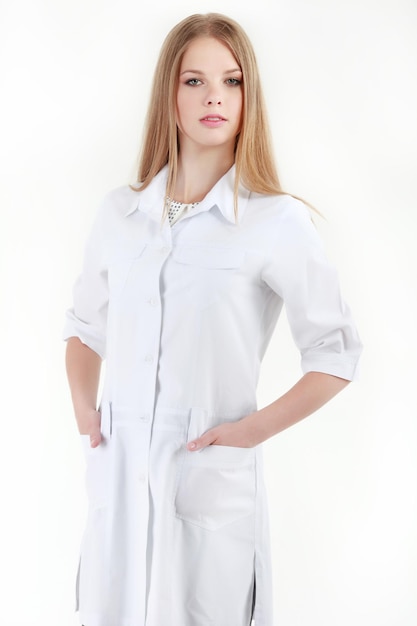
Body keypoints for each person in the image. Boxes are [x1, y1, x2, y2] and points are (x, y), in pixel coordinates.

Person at [64, 12, 362, 626]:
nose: (214, 98)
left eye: (231, 81)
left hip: (207, 477)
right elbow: (83, 326)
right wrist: (87, 415)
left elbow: (335, 353)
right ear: (168, 95)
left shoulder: (275, 223)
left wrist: (249, 431)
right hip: (118, 477)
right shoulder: (119, 215)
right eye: (194, 81)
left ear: (249, 94)